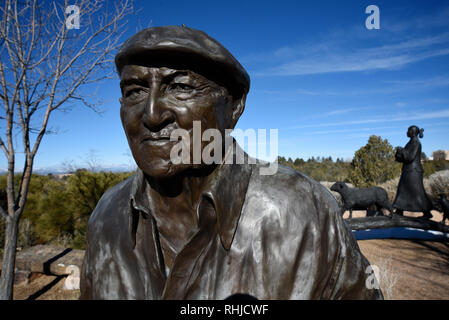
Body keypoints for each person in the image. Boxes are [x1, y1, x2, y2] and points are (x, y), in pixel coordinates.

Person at [79, 25, 382, 299]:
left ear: (234, 105)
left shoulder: (305, 213)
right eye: (134, 91)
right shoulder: (106, 217)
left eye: (180, 87)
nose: (153, 115)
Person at [393, 125, 433, 219]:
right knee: (403, 190)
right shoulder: (410, 142)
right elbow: (403, 158)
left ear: (413, 132)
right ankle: (399, 210)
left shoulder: (416, 143)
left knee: (417, 192)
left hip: (413, 171)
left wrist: (401, 150)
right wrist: (399, 153)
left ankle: (427, 212)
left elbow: (410, 157)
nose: (407, 132)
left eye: (408, 130)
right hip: (409, 170)